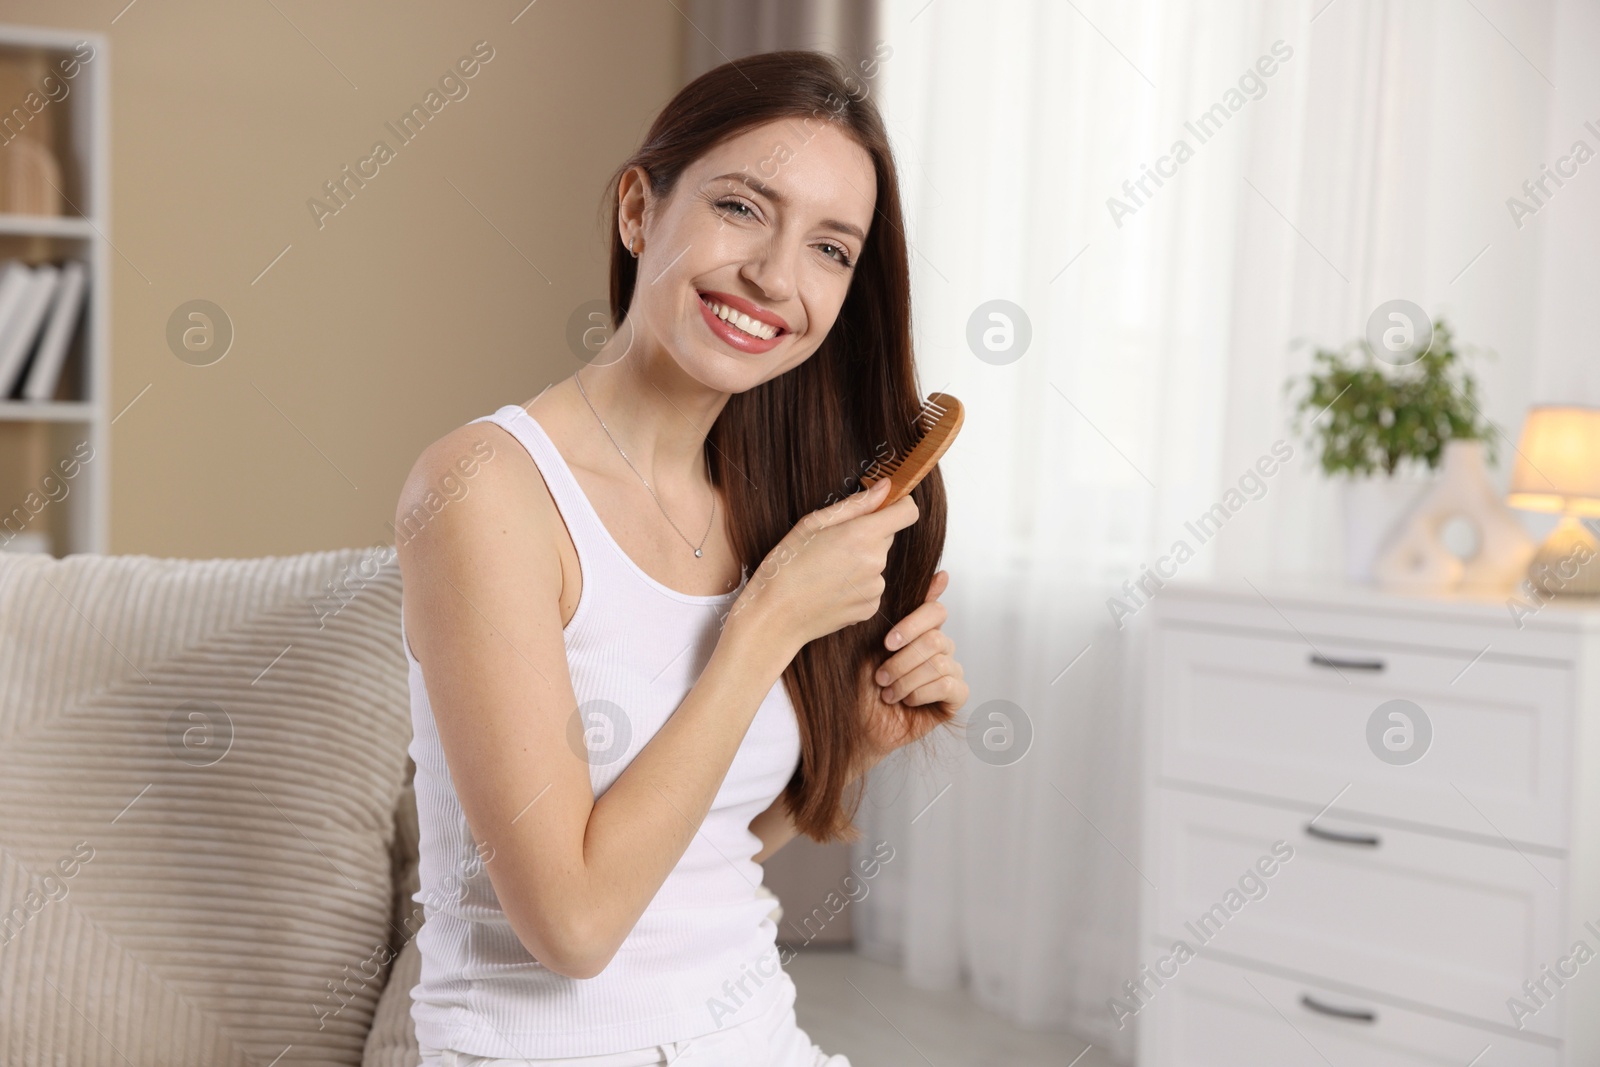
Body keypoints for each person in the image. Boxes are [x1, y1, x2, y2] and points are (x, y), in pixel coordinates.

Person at [394, 48, 968, 1067]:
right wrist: (762, 630)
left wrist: (861, 743)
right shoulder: (485, 487)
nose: (776, 276)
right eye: (744, 208)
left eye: (831, 249)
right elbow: (573, 925)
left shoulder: (758, 505)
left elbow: (695, 853)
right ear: (637, 210)